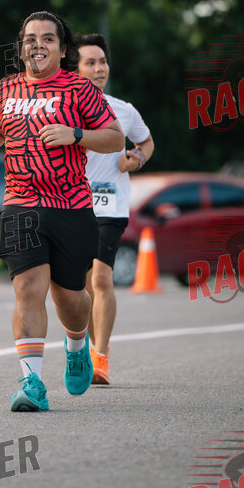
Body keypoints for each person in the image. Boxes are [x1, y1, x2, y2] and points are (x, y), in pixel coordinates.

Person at [0, 11, 124, 411]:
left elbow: (114, 138)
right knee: (27, 289)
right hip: (20, 203)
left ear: (63, 48)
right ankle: (31, 382)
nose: (38, 45)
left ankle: (77, 345)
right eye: (30, 38)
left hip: (71, 206)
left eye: (48, 38)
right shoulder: (5, 88)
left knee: (70, 298)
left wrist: (76, 134)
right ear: (21, 47)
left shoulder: (79, 89)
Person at [76, 34, 154, 384]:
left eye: (103, 62)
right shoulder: (61, 109)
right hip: (72, 203)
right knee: (80, 285)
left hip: (110, 203)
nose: (99, 69)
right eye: (90, 62)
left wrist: (135, 158)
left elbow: (146, 142)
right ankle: (89, 348)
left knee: (100, 278)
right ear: (74, 69)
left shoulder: (123, 109)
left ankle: (101, 357)